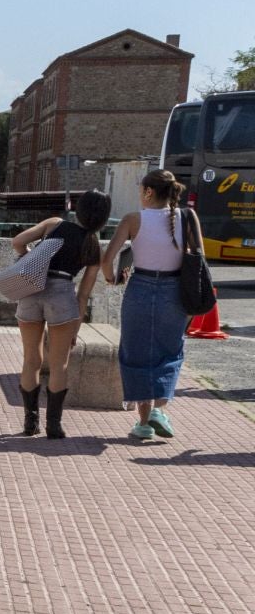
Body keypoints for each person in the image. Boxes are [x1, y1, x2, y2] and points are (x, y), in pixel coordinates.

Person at [101, 169, 192, 440]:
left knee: (136, 351)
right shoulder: (184, 218)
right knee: (170, 349)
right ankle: (159, 411)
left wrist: (113, 279)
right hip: (174, 290)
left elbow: (108, 260)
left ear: (149, 192)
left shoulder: (132, 219)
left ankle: (143, 423)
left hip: (139, 288)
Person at [11, 190, 109, 438]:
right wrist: (76, 328)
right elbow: (83, 295)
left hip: (32, 288)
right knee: (59, 364)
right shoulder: (93, 245)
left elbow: (18, 242)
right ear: (103, 218)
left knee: (31, 358)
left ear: (78, 209)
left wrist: (30, 259)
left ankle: (29, 422)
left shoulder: (54, 224)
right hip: (63, 294)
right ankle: (54, 425)